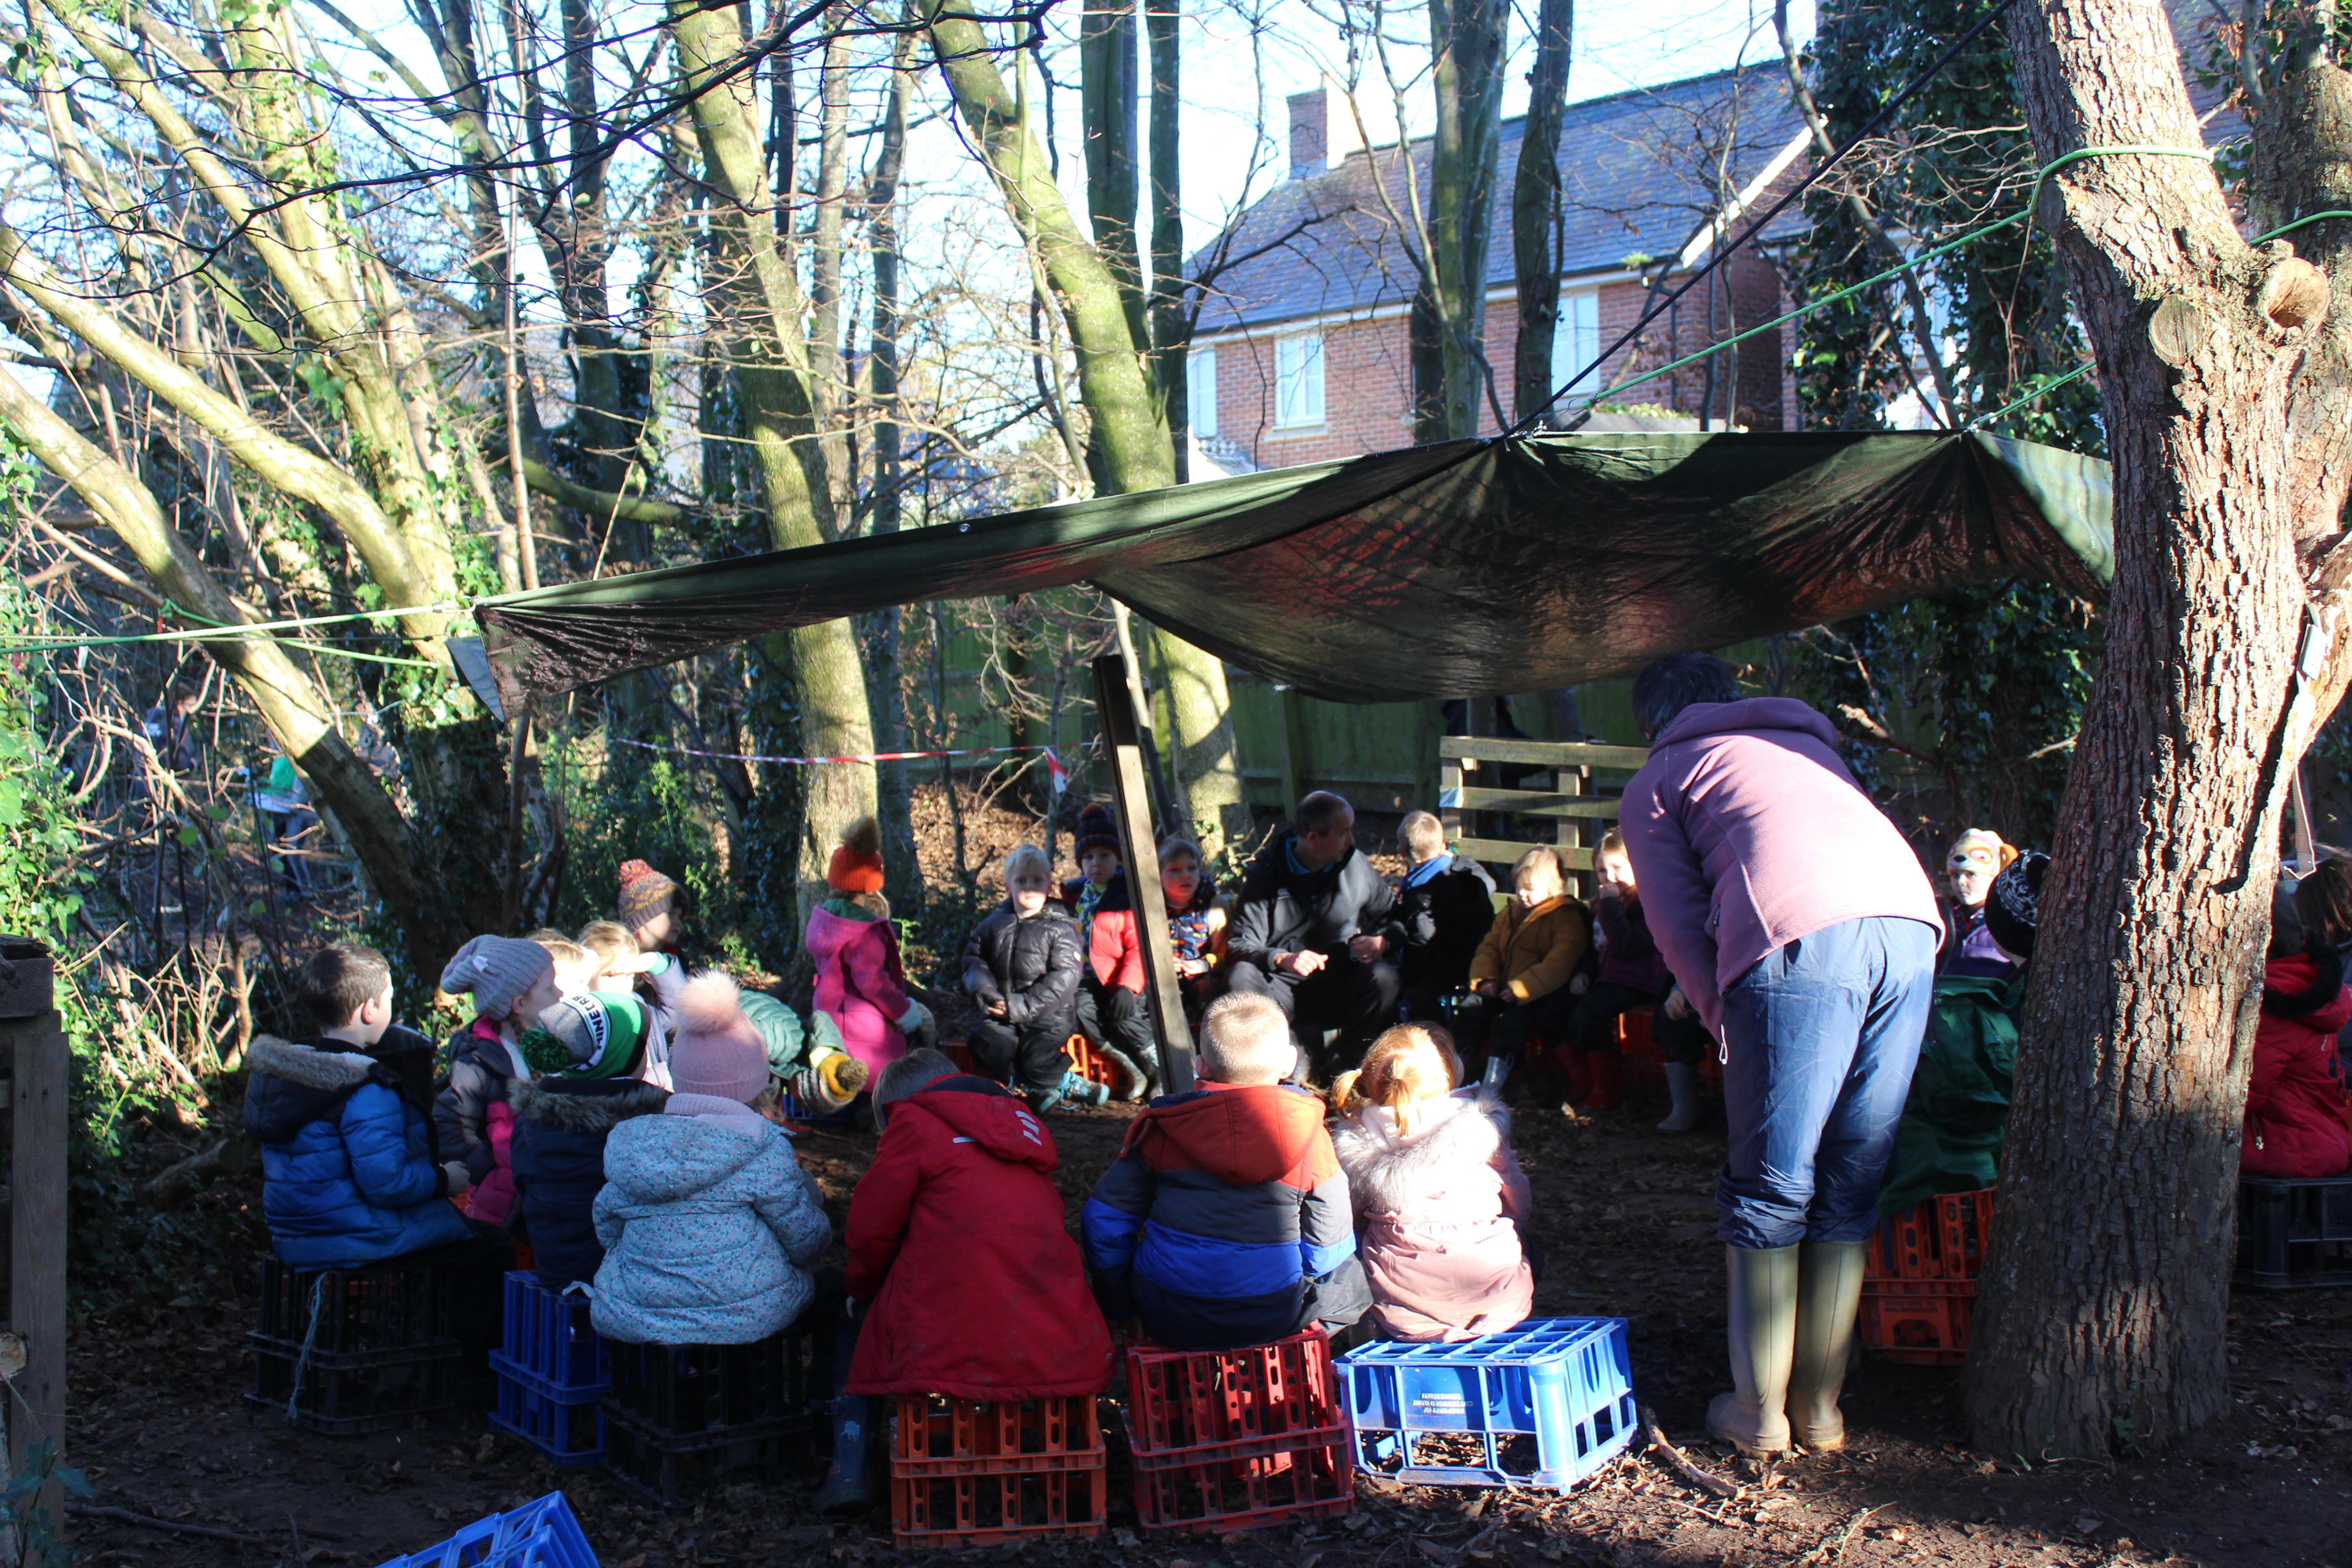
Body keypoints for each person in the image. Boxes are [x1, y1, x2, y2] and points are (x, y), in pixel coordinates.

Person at [1618, 651, 1940, 1458]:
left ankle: (1758, 1413)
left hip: (1799, 936)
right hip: (1910, 926)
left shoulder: (1662, 776)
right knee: (1851, 1172)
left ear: (1651, 724)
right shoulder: (1803, 742)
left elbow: (1675, 925)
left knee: (1770, 1182)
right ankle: (1820, 1410)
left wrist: (1722, 1018)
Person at [815, 1049, 1115, 1512]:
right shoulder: (1021, 1128)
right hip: (1049, 1315)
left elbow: (872, 1230)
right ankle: (1061, 1463)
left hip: (955, 1320)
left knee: (854, 1325)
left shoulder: (914, 1127)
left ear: (897, 1109)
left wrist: (862, 1290)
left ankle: (849, 1468)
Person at [1081, 992, 1368, 1351]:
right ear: (1290, 1063)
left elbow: (1102, 1221)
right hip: (1271, 1313)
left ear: (1200, 1066)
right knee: (1352, 1276)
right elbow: (1329, 1243)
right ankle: (1303, 1343)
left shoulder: (1163, 1129)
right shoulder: (1311, 1137)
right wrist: (1301, 1281)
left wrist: (1121, 1305)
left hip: (1167, 1311)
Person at [591, 972, 833, 1343]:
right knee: (827, 1288)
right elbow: (805, 1241)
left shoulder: (636, 1147)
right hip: (745, 1316)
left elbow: (606, 1223)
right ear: (756, 1081)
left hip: (635, 1313)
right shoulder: (763, 1149)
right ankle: (808, 1385)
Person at [245, 942, 476, 1268]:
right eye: (389, 997)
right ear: (370, 1010)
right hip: (362, 1240)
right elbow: (388, 1185)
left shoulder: (286, 1078)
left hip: (295, 1238)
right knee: (490, 1247)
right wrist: (443, 1179)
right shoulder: (366, 1089)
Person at [1333, 1023, 1533, 1342]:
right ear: (1452, 1070)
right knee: (1524, 1243)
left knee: (1360, 1247)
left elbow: (1347, 1216)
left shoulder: (1360, 1139)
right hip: (1497, 1294)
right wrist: (1514, 1222)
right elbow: (1517, 1198)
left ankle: (1384, 1332)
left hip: (1404, 1303)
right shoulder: (1481, 1126)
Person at [1878, 852, 2041, 1217]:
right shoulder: (2045, 996)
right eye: (1955, 874)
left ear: (2003, 926)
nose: (1961, 883)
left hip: (1927, 1201)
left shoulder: (1967, 1012)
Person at [1224, 792, 1400, 1073]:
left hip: (1341, 978)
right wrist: (1282, 958)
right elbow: (1240, 944)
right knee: (1241, 976)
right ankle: (1283, 1063)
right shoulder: (1266, 875)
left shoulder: (1355, 865)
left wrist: (1384, 941)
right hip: (1283, 987)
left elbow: (1394, 915)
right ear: (1314, 838)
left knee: (1385, 978)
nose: (1352, 841)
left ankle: (1351, 1067)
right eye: (1343, 833)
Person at [509, 994, 671, 1290]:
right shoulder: (652, 1125)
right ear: (625, 1057)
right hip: (633, 1289)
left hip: (557, 1280)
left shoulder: (530, 1125)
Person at [1568, 830, 1711, 1132]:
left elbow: (1627, 944)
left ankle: (1608, 1089)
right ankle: (1594, 1082)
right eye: (1602, 871)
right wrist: (1583, 971)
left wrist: (1610, 906)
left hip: (1641, 981)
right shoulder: (1604, 904)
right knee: (1577, 1010)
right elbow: (1591, 947)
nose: (1610, 877)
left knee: (1591, 1013)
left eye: (1618, 868)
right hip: (1612, 979)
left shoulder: (1647, 902)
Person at [434, 935, 564, 1230]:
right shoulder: (479, 1063)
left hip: (544, 1205)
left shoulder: (550, 1046)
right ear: (519, 1004)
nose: (560, 992)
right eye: (550, 987)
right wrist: (498, 1175)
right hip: (502, 1215)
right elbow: (449, 1126)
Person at [805, 817, 933, 1081]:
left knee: (844, 1081)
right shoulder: (864, 930)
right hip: (863, 1029)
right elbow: (874, 983)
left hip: (831, 1018)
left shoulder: (825, 918)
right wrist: (904, 1012)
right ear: (871, 885)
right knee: (884, 1079)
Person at [2244, 878, 2352, 1179]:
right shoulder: (2308, 980)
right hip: (2321, 1139)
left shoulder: (2276, 1004)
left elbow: (2241, 1098)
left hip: (2290, 1147)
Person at [963, 843, 1087, 1102]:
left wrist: (1019, 1006)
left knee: (1037, 1057)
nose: (1030, 887)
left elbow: (1065, 977)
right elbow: (974, 962)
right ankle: (1024, 1088)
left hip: (1049, 1017)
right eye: (1022, 881)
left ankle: (1062, 1082)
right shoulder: (992, 925)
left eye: (1037, 881)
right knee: (985, 1042)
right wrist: (988, 995)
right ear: (1008, 886)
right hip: (1003, 1013)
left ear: (1049, 885)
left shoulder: (1060, 928)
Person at [1459, 848, 1590, 1081]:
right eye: (1518, 887)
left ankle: (1499, 1078)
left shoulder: (1566, 919)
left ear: (1553, 887)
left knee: (1513, 1025)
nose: (1521, 894)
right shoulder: (1511, 914)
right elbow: (1489, 947)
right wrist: (1487, 978)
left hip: (1536, 992)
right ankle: (1458, 1063)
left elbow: (1559, 963)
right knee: (1472, 1009)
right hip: (1503, 985)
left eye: (1529, 888)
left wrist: (1522, 988)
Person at [1062, 804, 1161, 1098]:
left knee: (1124, 1018)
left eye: (1104, 856)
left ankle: (1161, 1070)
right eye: (1088, 857)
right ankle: (1132, 1068)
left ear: (1118, 858)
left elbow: (1139, 945)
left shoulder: (1126, 897)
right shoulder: (1076, 897)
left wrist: (1127, 987)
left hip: (1123, 978)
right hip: (1088, 978)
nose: (1096, 864)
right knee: (1081, 1011)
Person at [1384, 810, 1496, 1025]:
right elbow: (1490, 884)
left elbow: (1422, 938)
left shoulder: (1422, 893)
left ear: (1401, 852)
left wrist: (1405, 969)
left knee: (1413, 990)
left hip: (1445, 967)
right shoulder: (1465, 869)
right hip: (1479, 955)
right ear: (1443, 845)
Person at [1160, 834, 1230, 1017]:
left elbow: (1225, 953)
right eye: (1174, 870)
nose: (1185, 875)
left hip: (1202, 973)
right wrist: (1163, 963)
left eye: (1192, 868)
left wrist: (1205, 964)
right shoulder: (1152, 908)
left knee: (1209, 989)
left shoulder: (1214, 906)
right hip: (1163, 975)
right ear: (1159, 876)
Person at [1938, 829, 2022, 980]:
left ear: (1995, 876)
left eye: (1971, 874)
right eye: (1955, 875)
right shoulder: (1941, 915)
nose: (1961, 882)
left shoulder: (2009, 920)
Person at [617, 859, 687, 956]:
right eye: (670, 914)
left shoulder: (677, 958)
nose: (678, 922)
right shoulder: (620, 963)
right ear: (642, 919)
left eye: (679, 916)